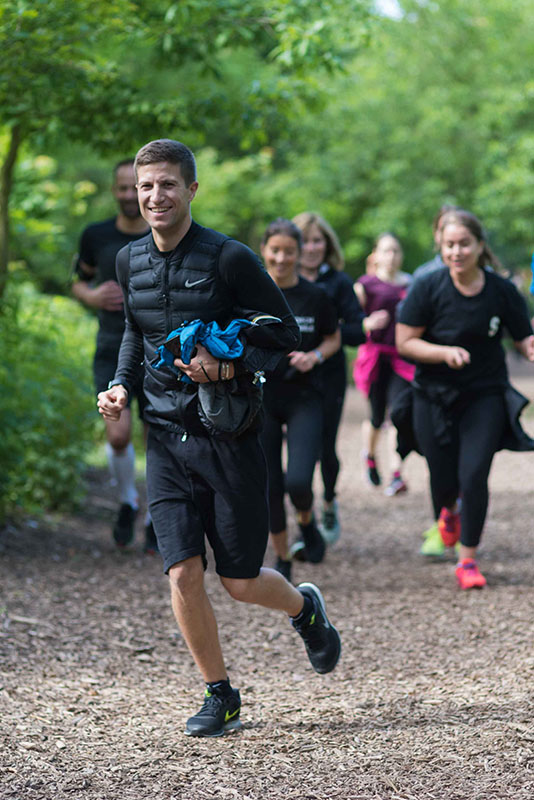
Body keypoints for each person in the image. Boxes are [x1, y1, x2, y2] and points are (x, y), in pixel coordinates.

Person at [97, 140, 341, 737]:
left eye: (168, 185)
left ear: (191, 190)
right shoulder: (129, 261)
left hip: (229, 437)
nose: (155, 196)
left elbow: (283, 334)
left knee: (238, 581)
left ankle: (304, 609)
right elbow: (137, 330)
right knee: (181, 572)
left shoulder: (229, 258)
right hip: (165, 437)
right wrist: (122, 386)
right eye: (146, 185)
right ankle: (221, 694)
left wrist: (227, 368)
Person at [396, 209, 534, 589]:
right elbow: (404, 342)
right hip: (432, 395)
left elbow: (522, 338)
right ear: (441, 246)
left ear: (479, 246)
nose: (457, 251)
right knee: (443, 478)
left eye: (464, 244)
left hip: (484, 394)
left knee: (473, 474)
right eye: (450, 245)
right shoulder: (427, 287)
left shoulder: (502, 290)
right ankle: (447, 512)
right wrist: (444, 353)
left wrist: (529, 346)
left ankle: (468, 560)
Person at [71, 159, 155, 551]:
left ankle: (158, 516)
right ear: (114, 191)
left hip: (158, 349)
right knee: (118, 434)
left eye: (132, 187)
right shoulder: (96, 235)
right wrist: (91, 295)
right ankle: (127, 502)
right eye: (120, 188)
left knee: (158, 434)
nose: (126, 195)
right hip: (110, 347)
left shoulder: (163, 233)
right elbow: (78, 281)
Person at [259, 218, 341, 581]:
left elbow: (333, 338)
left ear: (299, 253)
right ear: (264, 251)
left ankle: (306, 522)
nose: (281, 258)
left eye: (289, 251)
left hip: (305, 397)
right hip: (260, 400)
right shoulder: (250, 295)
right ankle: (283, 558)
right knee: (270, 485)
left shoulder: (315, 296)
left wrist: (315, 357)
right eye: (275, 250)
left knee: (298, 482)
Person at [292, 212, 369, 544]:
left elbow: (356, 332)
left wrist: (329, 328)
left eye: (317, 241)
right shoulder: (281, 279)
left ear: (328, 245)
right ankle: (300, 511)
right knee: (295, 451)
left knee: (325, 445)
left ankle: (328, 500)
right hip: (287, 377)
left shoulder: (337, 282)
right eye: (305, 241)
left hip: (327, 376)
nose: (311, 248)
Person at [353, 233, 415, 495]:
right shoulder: (364, 285)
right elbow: (349, 323)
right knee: (377, 416)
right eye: (386, 251)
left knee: (398, 414)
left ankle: (396, 473)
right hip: (375, 358)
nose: (392, 256)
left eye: (396, 251)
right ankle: (369, 455)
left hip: (402, 359)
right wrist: (366, 324)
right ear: (376, 255)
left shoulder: (411, 283)